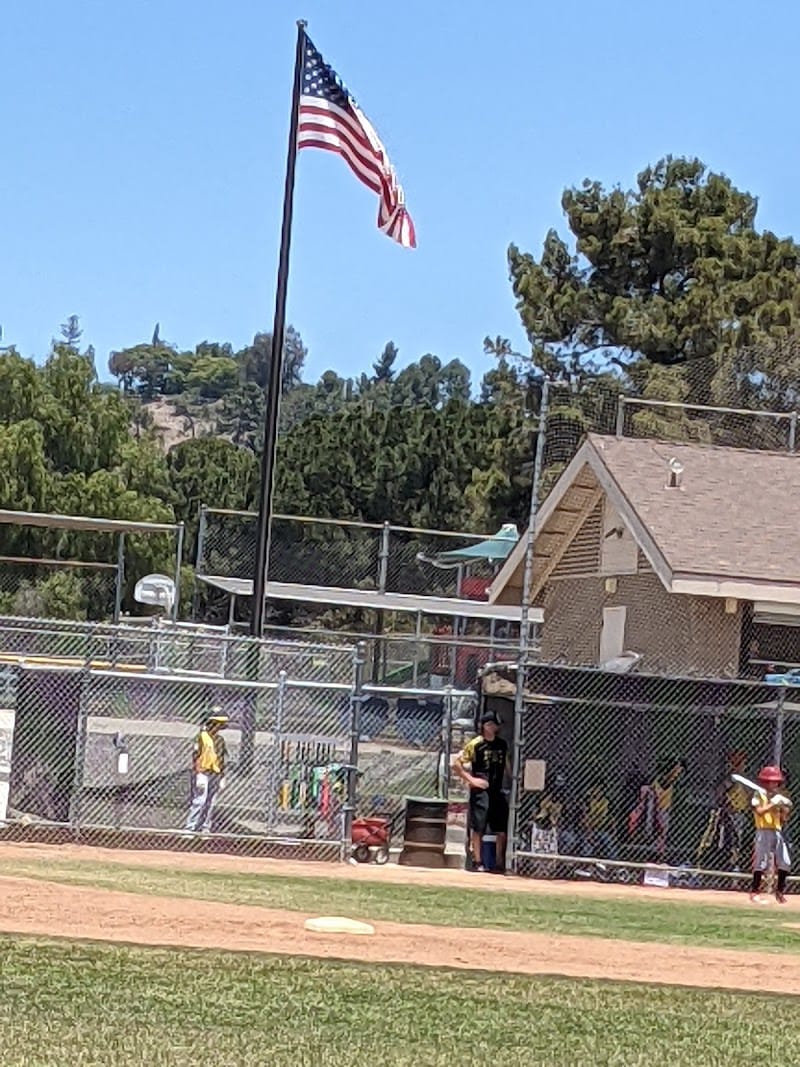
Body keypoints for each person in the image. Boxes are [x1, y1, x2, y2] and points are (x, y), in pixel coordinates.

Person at [454, 712, 510, 873]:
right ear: (485, 726)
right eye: (491, 725)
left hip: (497, 790)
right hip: (481, 791)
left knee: (501, 829)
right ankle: (478, 861)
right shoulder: (476, 744)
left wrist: (513, 779)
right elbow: (456, 764)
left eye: (496, 725)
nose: (495, 728)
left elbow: (506, 764)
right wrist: (471, 780)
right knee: (478, 827)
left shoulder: (501, 744)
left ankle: (499, 863)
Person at [749, 764, 792, 905]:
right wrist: (773, 804)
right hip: (763, 830)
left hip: (777, 830)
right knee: (761, 862)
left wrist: (784, 808)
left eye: (776, 782)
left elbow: (784, 819)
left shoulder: (778, 796)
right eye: (771, 781)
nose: (774, 784)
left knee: (785, 861)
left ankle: (779, 892)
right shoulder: (758, 795)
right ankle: (754, 892)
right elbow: (759, 811)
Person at [628, 757, 686, 861]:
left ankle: (662, 856)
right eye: (675, 771)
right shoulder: (654, 784)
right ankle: (651, 849)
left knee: (664, 820)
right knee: (659, 817)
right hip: (653, 814)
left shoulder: (677, 787)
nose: (677, 775)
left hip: (666, 815)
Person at [184, 709, 229, 835]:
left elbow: (221, 758)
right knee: (200, 800)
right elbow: (196, 755)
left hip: (215, 773)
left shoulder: (220, 739)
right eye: (215, 723)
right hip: (203, 772)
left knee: (211, 802)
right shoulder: (202, 737)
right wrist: (198, 773)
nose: (218, 727)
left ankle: (205, 828)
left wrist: (222, 776)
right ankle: (190, 827)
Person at [581, 777, 617, 859]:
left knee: (608, 840)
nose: (598, 792)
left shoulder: (606, 801)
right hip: (589, 829)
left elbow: (611, 818)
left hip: (602, 829)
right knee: (588, 844)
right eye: (596, 789)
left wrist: (614, 832)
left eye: (601, 789)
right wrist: (589, 833)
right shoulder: (588, 801)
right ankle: (585, 862)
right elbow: (585, 818)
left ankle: (614, 863)